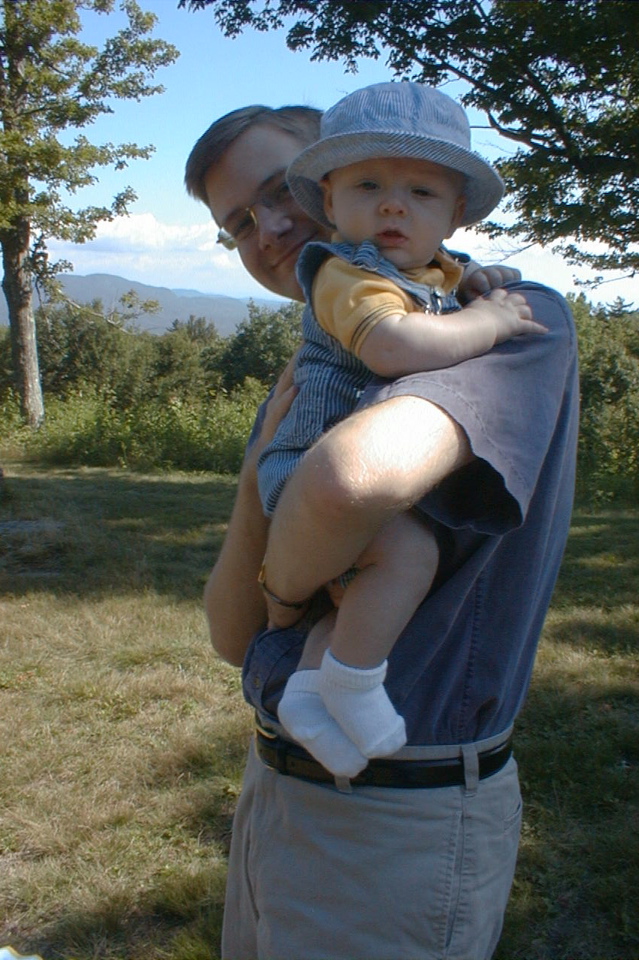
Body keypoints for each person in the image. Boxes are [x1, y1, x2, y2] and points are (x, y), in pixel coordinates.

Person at [186, 83, 579, 960]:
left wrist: (284, 598)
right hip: (276, 788)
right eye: (237, 223)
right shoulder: (310, 371)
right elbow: (225, 631)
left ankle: (340, 683)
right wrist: (260, 476)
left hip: (400, 815)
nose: (268, 231)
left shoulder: (511, 321)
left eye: (277, 191)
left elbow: (349, 485)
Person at [254, 83, 547, 779]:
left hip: (362, 465)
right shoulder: (342, 272)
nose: (392, 203)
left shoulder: (437, 270)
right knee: (406, 558)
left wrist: (484, 282)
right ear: (328, 204)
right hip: (312, 463)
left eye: (421, 193)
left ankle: (307, 692)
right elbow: (390, 345)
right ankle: (353, 682)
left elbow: (455, 281)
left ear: (453, 214)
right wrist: (490, 322)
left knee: (362, 589)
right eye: (368, 184)